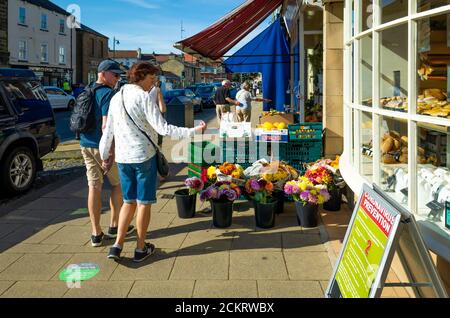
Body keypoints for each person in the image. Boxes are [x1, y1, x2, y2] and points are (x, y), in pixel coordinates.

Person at [100, 62, 207, 263]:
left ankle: (117, 245)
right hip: (143, 158)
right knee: (143, 204)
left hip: (123, 158)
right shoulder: (142, 97)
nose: (153, 83)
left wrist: (105, 156)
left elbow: (108, 132)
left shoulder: (116, 98)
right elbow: (164, 128)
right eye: (151, 79)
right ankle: (141, 248)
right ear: (140, 76)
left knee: (128, 202)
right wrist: (193, 131)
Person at [79, 60, 134, 248]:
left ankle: (96, 233)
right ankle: (115, 225)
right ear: (103, 73)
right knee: (118, 185)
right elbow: (106, 126)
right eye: (115, 74)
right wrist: (109, 152)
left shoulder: (87, 90)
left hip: (85, 144)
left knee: (94, 187)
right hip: (102, 146)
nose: (118, 78)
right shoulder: (108, 94)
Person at [149, 79, 167, 146]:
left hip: (147, 122)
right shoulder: (157, 90)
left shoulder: (143, 91)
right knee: (158, 143)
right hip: (156, 119)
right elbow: (163, 109)